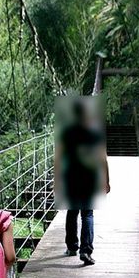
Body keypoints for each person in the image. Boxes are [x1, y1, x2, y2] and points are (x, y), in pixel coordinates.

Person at [55, 97, 110, 265]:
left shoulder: (66, 132)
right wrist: (106, 180)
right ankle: (86, 251)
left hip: (71, 178)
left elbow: (59, 158)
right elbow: (102, 159)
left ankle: (72, 246)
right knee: (88, 213)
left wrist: (56, 180)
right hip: (89, 178)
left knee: (72, 212)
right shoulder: (95, 132)